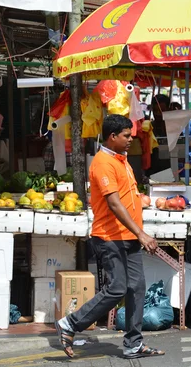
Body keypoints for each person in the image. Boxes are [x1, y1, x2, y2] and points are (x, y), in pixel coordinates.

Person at [56, 115, 164, 360]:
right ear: (112, 136)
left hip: (129, 236)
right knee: (116, 289)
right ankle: (70, 323)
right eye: (126, 135)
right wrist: (142, 233)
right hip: (110, 236)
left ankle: (134, 343)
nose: (131, 139)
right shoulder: (103, 162)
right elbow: (114, 203)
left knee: (136, 288)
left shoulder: (121, 159)